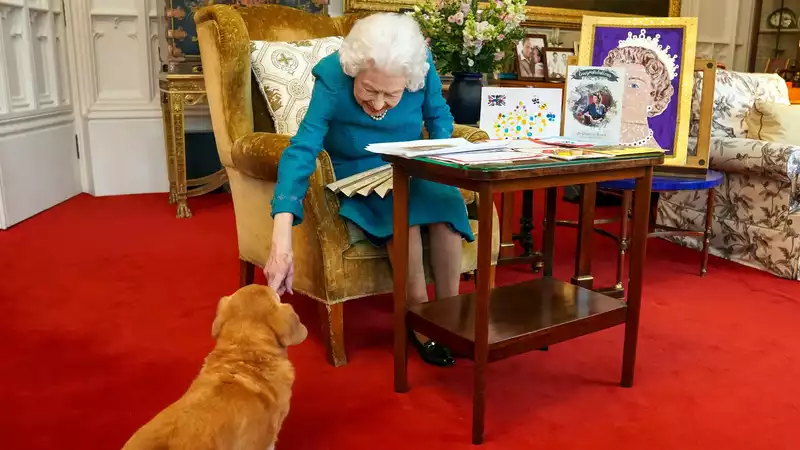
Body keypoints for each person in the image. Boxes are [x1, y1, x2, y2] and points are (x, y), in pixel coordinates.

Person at [265, 13, 471, 367]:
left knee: (446, 209)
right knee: (401, 216)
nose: (378, 104)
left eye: (391, 94)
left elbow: (439, 120)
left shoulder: (421, 67)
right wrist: (281, 233)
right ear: (354, 70)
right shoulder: (333, 73)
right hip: (356, 170)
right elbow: (303, 147)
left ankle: (448, 316)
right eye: (369, 90)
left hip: (411, 163)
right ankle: (419, 321)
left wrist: (442, 165)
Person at [603, 45, 674, 148]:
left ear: (654, 95)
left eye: (633, 85)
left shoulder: (652, 153)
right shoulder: (591, 144)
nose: (620, 93)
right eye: (615, 83)